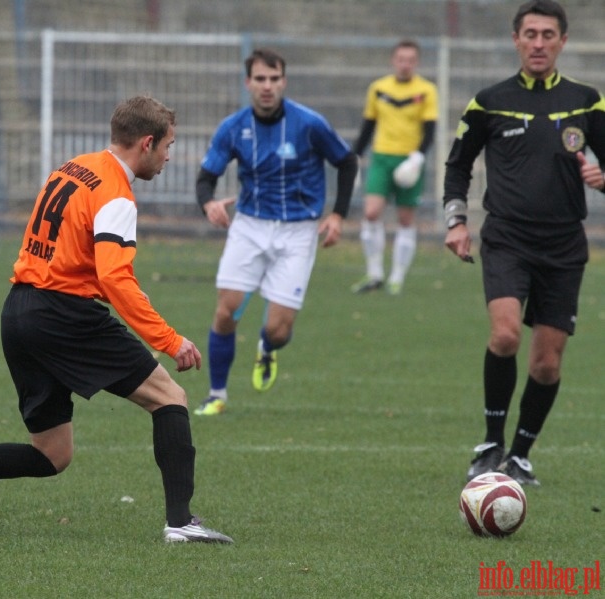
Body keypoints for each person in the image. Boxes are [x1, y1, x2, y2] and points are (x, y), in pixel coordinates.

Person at [0, 95, 233, 544]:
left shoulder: (73, 167)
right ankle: (181, 523)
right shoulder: (116, 194)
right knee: (169, 397)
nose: (170, 156)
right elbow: (115, 278)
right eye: (168, 146)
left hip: (19, 310)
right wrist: (169, 340)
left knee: (52, 454)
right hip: (63, 313)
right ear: (147, 143)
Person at [444, 0, 605, 487]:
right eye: (530, 34)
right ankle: (490, 444)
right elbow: (457, 164)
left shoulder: (586, 100)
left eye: (547, 35)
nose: (538, 43)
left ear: (562, 41)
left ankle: (520, 455)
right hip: (508, 237)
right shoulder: (489, 100)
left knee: (547, 360)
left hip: (564, 245)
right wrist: (456, 220)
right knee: (506, 335)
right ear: (516, 39)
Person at [193, 48, 358, 416]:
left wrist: (338, 215)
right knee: (226, 312)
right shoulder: (233, 128)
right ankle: (217, 394)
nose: (267, 87)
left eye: (274, 79)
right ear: (248, 82)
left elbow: (346, 161)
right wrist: (209, 204)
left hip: (299, 232)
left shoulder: (309, 124)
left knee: (279, 331)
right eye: (260, 79)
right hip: (249, 226)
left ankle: (266, 349)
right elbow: (207, 177)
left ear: (283, 81)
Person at [351, 39, 438, 296]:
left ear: (417, 62)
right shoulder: (378, 88)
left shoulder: (426, 90)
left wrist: (418, 157)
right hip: (381, 158)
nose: (405, 65)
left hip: (409, 160)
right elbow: (368, 126)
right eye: (401, 60)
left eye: (410, 60)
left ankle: (397, 277)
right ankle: (375, 273)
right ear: (393, 60)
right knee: (371, 212)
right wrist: (354, 156)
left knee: (405, 219)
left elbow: (430, 130)